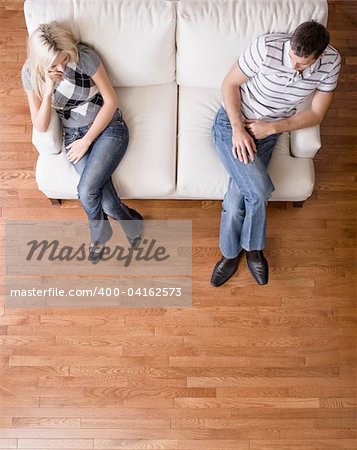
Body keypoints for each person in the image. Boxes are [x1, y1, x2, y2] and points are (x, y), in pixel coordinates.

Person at [211, 20, 341, 286]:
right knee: (257, 191)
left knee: (237, 198)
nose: (294, 67)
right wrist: (238, 129)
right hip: (233, 124)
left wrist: (272, 128)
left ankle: (232, 253)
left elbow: (316, 114)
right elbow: (229, 85)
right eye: (293, 58)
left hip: (269, 132)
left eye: (303, 64)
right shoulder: (266, 48)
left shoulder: (331, 63)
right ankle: (252, 250)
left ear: (320, 55)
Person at [21, 21, 143, 263]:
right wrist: (48, 90)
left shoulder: (84, 57)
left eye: (63, 59)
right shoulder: (30, 74)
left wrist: (87, 141)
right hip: (73, 136)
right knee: (107, 203)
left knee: (86, 190)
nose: (61, 66)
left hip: (108, 126)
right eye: (53, 64)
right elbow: (41, 124)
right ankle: (130, 222)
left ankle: (99, 234)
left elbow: (111, 101)